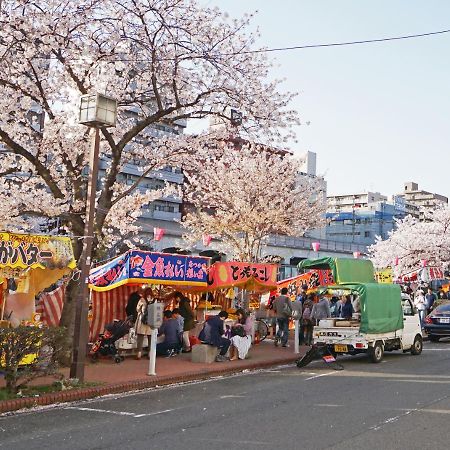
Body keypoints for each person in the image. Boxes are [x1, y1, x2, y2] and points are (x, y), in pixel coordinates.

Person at [135, 291, 151, 360]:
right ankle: (150, 353)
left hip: (142, 320)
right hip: (151, 321)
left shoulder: (142, 300)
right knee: (150, 338)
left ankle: (139, 354)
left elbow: (138, 309)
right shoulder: (154, 299)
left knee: (140, 337)